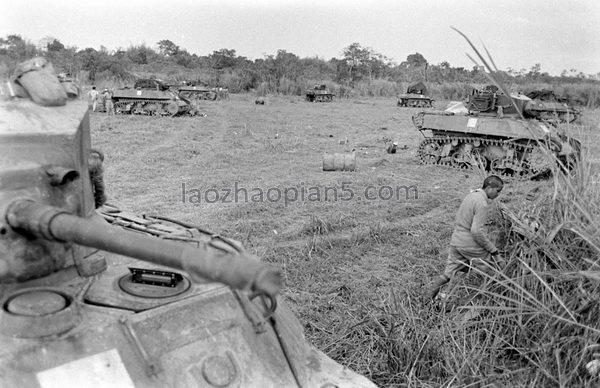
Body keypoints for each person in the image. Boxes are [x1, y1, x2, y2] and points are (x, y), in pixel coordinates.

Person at [427, 175, 506, 300]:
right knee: (491, 272)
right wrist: (493, 250)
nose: (498, 194)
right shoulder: (482, 203)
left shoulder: (470, 196)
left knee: (448, 274)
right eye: (498, 191)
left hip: (456, 241)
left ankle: (427, 299)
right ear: (490, 188)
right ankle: (494, 301)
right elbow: (476, 232)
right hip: (469, 243)